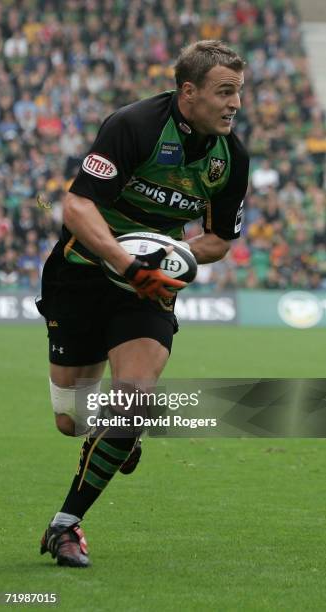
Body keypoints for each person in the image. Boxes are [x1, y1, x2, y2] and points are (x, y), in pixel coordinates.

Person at [38, 39, 249, 567]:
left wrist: (169, 258)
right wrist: (125, 260)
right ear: (188, 91)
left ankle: (66, 525)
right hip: (83, 276)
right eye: (224, 92)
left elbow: (220, 238)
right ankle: (115, 437)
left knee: (131, 400)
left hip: (146, 292)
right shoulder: (132, 125)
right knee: (72, 420)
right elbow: (76, 203)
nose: (234, 104)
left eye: (239, 93)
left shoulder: (231, 157)